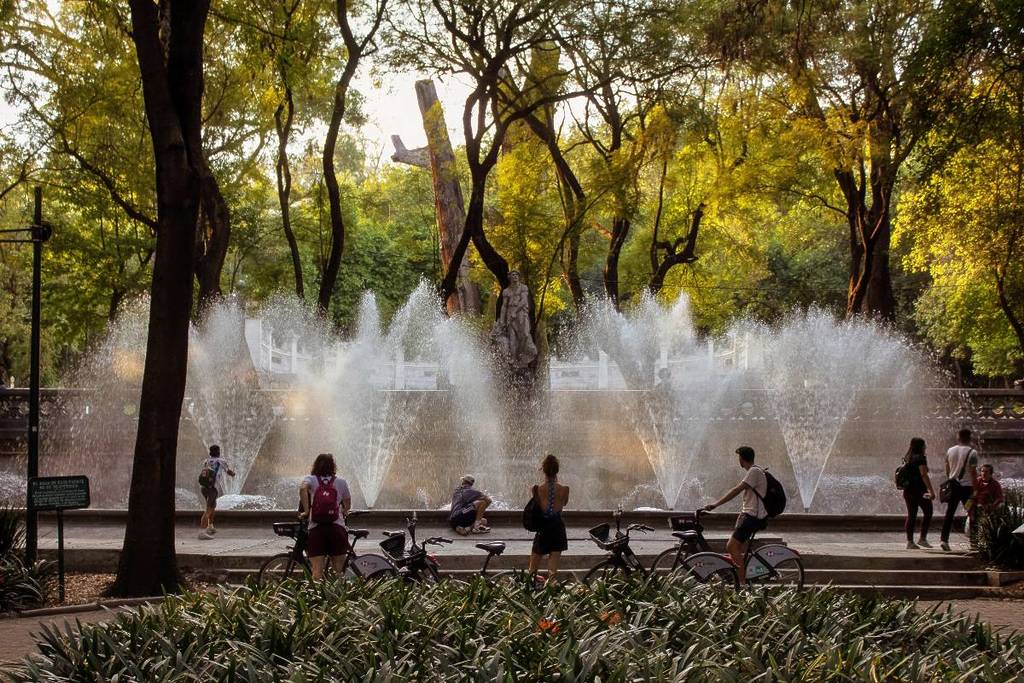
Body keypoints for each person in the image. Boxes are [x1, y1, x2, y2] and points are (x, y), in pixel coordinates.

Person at [703, 446, 768, 583]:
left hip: (752, 517)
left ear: (742, 459)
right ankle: (739, 575)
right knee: (736, 547)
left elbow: (736, 490)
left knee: (731, 546)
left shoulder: (754, 471)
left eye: (739, 457)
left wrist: (715, 504)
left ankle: (742, 584)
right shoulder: (754, 471)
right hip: (749, 516)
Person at [299, 453, 352, 580]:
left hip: (316, 529)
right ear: (333, 466)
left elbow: (302, 489)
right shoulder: (341, 482)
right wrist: (344, 511)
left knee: (317, 572)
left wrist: (306, 511)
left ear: (316, 465)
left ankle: (317, 599)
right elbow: (348, 504)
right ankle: (339, 598)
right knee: (338, 571)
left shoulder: (311, 479)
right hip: (336, 528)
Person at [528, 454, 569, 582]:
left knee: (534, 564)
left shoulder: (536, 489)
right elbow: (564, 503)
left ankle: (530, 589)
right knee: (553, 568)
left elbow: (537, 507)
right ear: (557, 470)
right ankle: (551, 589)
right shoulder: (565, 489)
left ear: (543, 470)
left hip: (543, 527)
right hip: (557, 526)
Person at [941, 428, 979, 552]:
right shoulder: (972, 453)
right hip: (967, 488)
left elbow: (947, 468)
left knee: (949, 513)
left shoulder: (950, 450)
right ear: (970, 438)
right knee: (972, 513)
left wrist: (951, 478)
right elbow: (973, 472)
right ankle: (974, 542)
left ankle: (944, 540)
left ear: (958, 437)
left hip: (953, 486)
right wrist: (976, 490)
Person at [900, 437, 936, 549]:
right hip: (920, 491)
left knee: (912, 515)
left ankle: (910, 542)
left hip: (908, 490)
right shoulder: (921, 458)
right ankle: (922, 539)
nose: (926, 447)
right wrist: (931, 490)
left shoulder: (907, 457)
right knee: (928, 512)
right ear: (921, 446)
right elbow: (923, 474)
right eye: (924, 445)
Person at [199, 445, 235, 540]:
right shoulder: (221, 461)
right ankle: (202, 532)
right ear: (218, 451)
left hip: (203, 488)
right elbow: (228, 471)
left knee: (213, 506)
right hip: (212, 489)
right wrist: (233, 474)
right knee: (208, 509)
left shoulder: (206, 461)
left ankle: (210, 526)